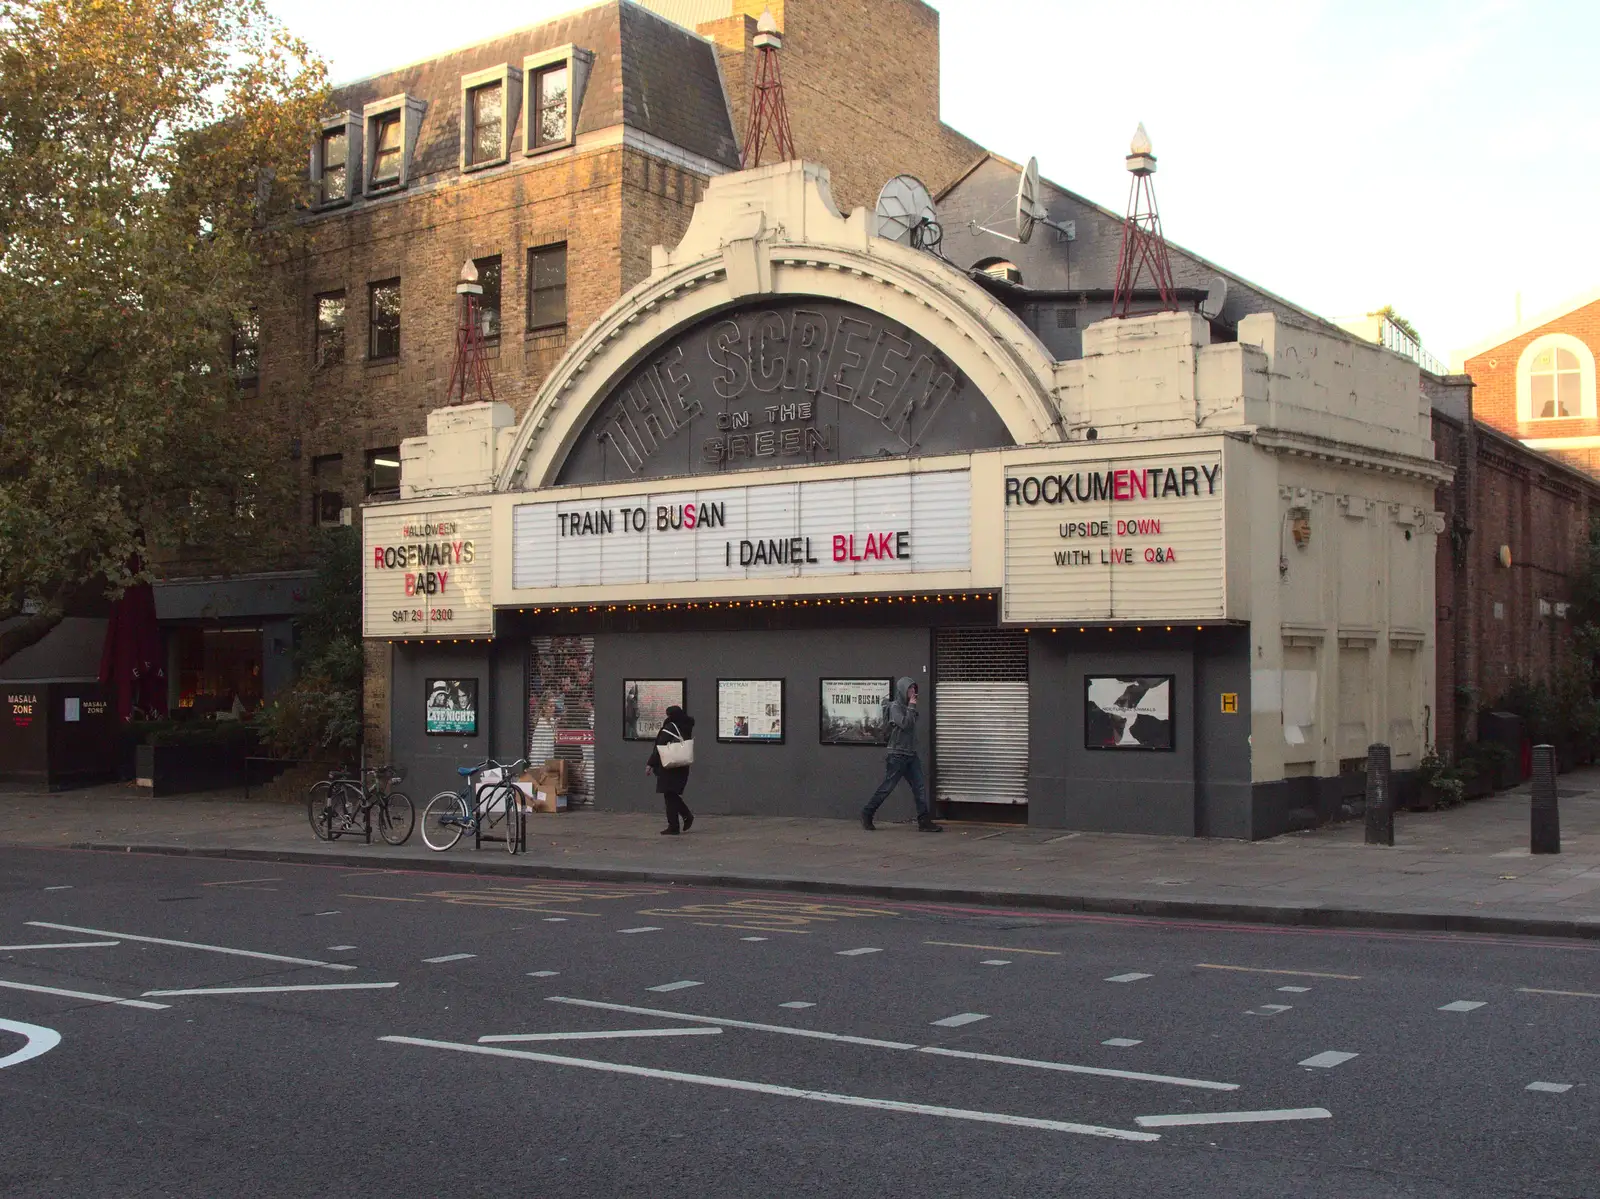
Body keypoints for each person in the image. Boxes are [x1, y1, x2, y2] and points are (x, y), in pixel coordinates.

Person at [862, 677, 941, 832]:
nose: (913, 692)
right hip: (897, 754)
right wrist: (912, 706)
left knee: (919, 787)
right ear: (903, 690)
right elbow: (905, 724)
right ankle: (867, 812)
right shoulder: (895, 708)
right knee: (887, 787)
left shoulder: (907, 707)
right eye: (910, 689)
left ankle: (924, 821)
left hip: (910, 754)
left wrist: (911, 707)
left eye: (914, 689)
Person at [646, 704, 695, 835]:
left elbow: (659, 747)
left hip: (669, 766)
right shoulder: (686, 726)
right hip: (682, 764)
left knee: (669, 795)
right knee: (671, 794)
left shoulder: (670, 728)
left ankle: (677, 823)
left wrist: (650, 764)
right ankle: (680, 820)